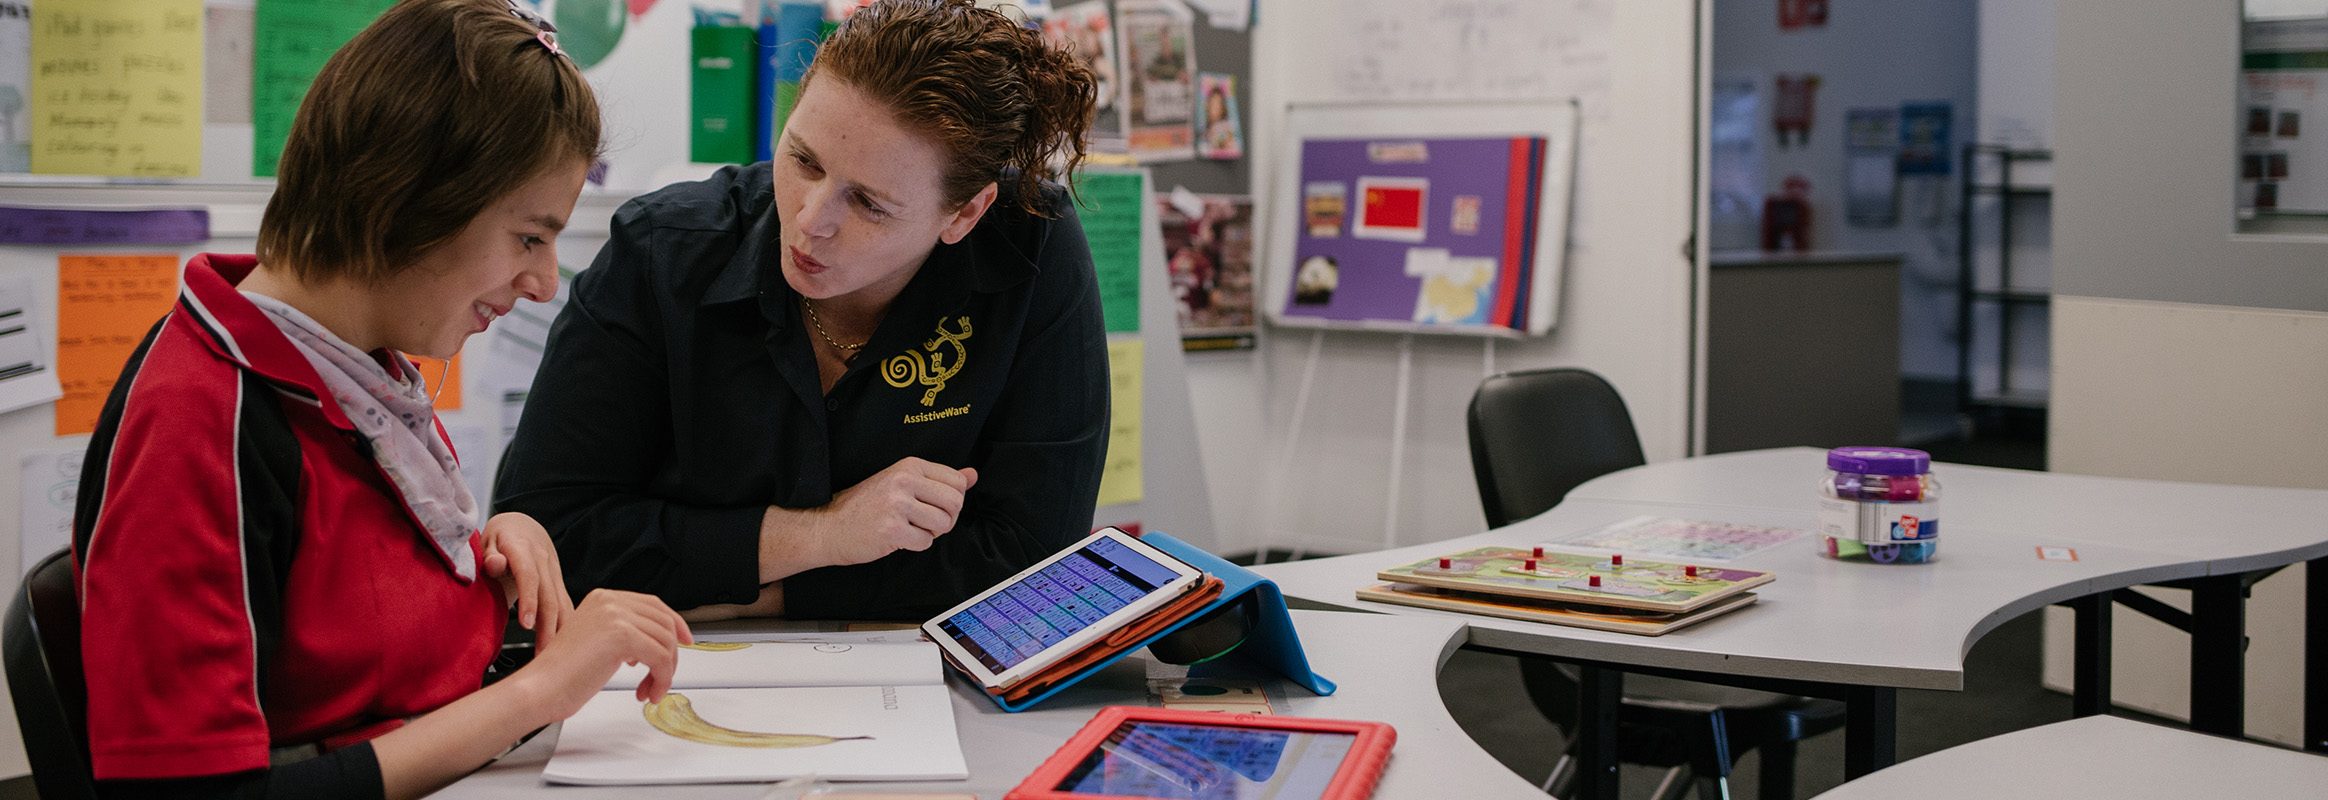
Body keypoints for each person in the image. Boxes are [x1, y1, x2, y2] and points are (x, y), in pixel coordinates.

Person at [71, 2, 690, 797]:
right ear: (406, 199)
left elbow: (360, 633)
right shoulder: (201, 417)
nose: (541, 286)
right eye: (529, 239)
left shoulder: (355, 370)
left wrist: (499, 557)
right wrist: (535, 694)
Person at [496, 0, 1107, 622]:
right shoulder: (662, 254)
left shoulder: (1030, 248)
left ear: (964, 215)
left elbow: (1036, 559)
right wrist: (822, 536)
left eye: (869, 204)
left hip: (935, 687)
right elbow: (544, 539)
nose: (811, 221)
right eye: (803, 160)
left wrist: (758, 597)